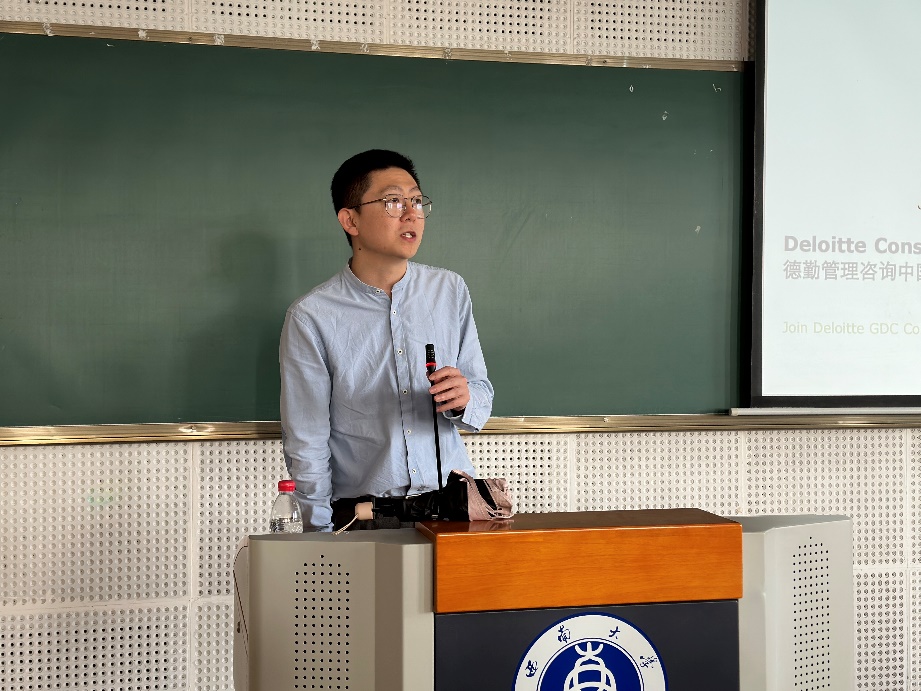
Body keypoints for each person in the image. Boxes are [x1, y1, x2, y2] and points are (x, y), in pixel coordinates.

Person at [279, 150, 494, 531]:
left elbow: (481, 394)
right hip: (364, 520)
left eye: (417, 201)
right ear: (350, 220)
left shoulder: (449, 290)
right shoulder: (312, 316)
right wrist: (319, 535)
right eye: (393, 201)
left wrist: (464, 399)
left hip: (453, 513)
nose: (411, 213)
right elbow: (307, 442)